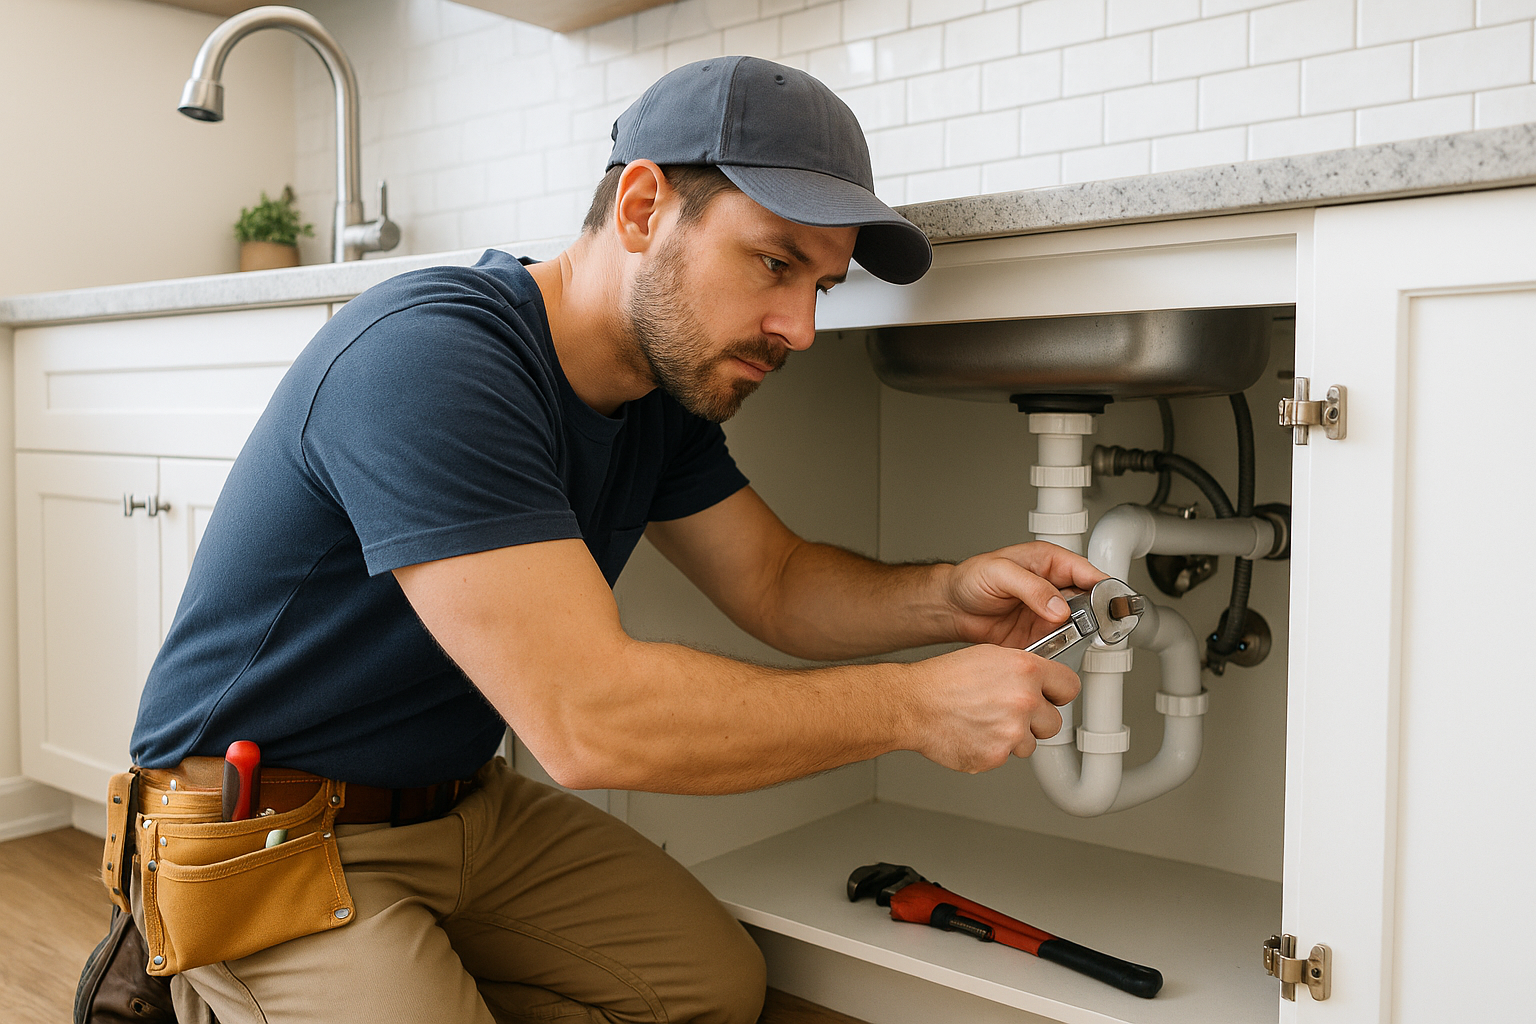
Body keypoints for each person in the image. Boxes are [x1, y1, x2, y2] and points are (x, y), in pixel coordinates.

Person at [109, 57, 1101, 1024]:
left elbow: (777, 581)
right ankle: (191, 964)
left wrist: (951, 595)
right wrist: (913, 704)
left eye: (821, 288)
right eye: (773, 263)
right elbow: (588, 721)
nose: (798, 327)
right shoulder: (435, 358)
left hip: (465, 807)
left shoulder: (652, 396)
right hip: (264, 826)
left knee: (712, 985)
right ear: (641, 208)